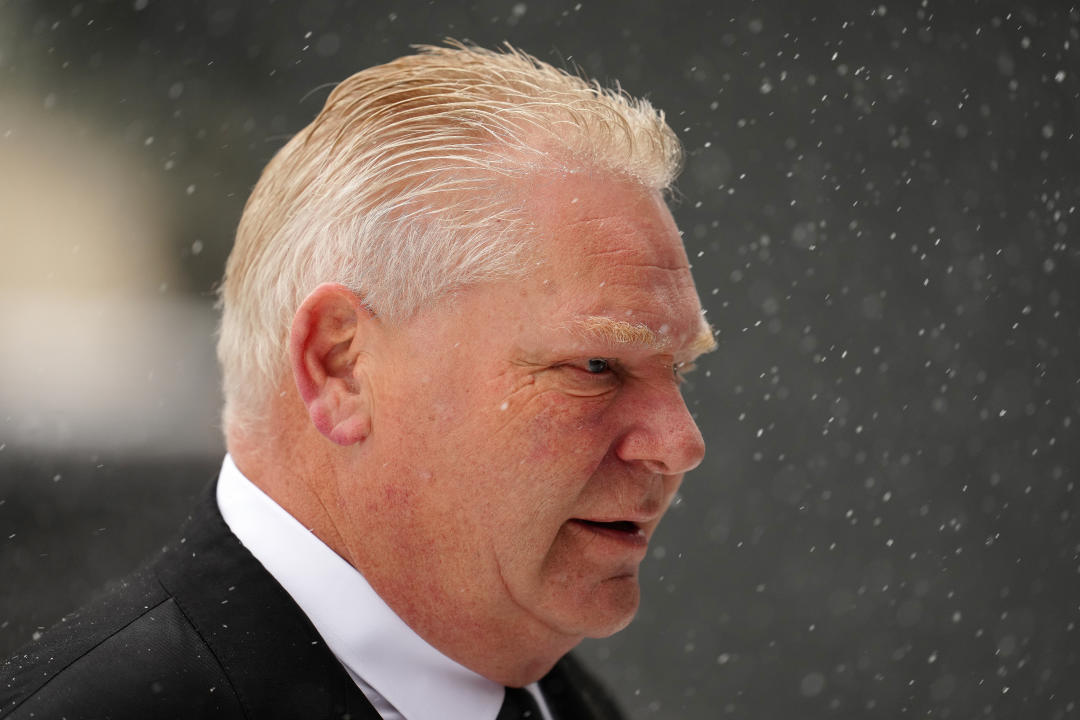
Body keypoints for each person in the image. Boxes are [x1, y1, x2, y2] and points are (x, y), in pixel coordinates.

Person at [0, 42, 714, 719]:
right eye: (596, 366)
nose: (680, 443)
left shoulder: (562, 699)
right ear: (340, 366)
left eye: (676, 369)